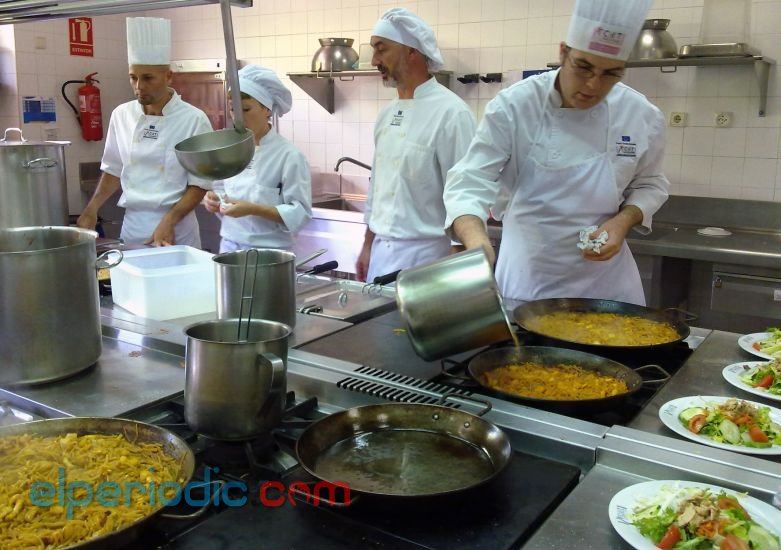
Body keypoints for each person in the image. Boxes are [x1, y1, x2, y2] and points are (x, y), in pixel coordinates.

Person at [444, 0, 668, 305]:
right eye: (583, 67)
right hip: (528, 282)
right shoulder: (515, 106)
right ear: (563, 53)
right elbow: (469, 182)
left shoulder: (641, 115)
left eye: (611, 73)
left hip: (607, 287)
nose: (593, 85)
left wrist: (624, 221)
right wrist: (477, 243)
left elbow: (651, 184)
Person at [356, 7, 476, 282]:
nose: (374, 60)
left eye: (381, 49)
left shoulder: (452, 114)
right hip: (380, 257)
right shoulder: (386, 114)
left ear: (412, 51)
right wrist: (367, 245)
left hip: (428, 260)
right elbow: (378, 188)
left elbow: (464, 195)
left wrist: (458, 265)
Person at [77, 17, 212, 247]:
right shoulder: (122, 115)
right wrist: (91, 209)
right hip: (133, 227)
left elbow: (199, 184)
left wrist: (170, 220)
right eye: (133, 77)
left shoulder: (193, 120)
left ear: (168, 76)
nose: (139, 86)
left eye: (148, 78)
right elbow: (113, 170)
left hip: (177, 229)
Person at [202, 66, 311, 253]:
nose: (238, 117)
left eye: (245, 109)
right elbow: (220, 190)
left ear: (266, 109)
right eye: (232, 109)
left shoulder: (288, 156)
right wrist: (213, 200)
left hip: (270, 253)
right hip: (229, 246)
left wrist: (253, 209)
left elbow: (300, 213)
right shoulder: (230, 150)